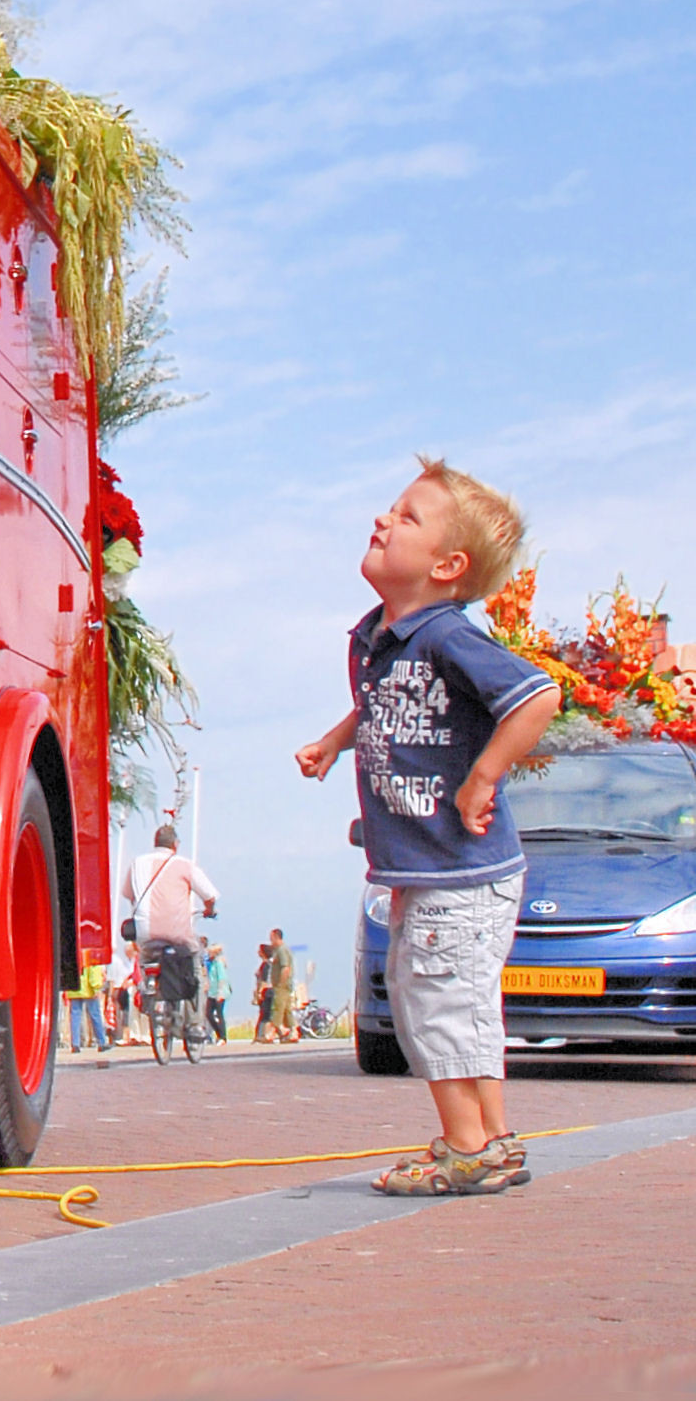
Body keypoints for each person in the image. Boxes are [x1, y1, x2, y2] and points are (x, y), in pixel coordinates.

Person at [296, 458, 558, 1196]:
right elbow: (381, 706)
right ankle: (492, 1140)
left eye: (407, 517)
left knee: (432, 999)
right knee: (458, 998)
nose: (383, 519)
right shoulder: (382, 639)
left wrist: (483, 776)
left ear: (448, 566)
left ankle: (464, 1147)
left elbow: (537, 697)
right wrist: (333, 739)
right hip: (428, 866)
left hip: (460, 865)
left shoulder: (446, 635)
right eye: (390, 507)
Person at [121, 820, 218, 1038]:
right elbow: (209, 895)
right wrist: (209, 909)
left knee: (147, 961)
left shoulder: (138, 863)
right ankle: (195, 1025)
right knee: (194, 969)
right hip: (177, 934)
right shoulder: (184, 864)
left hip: (146, 933)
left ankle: (149, 990)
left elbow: (128, 893)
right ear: (175, 845)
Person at [203, 940, 232, 1042]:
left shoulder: (219, 963)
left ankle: (223, 1037)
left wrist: (220, 993)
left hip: (220, 992)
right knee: (208, 1013)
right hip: (212, 991)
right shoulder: (212, 963)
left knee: (219, 1014)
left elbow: (221, 978)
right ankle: (219, 1033)